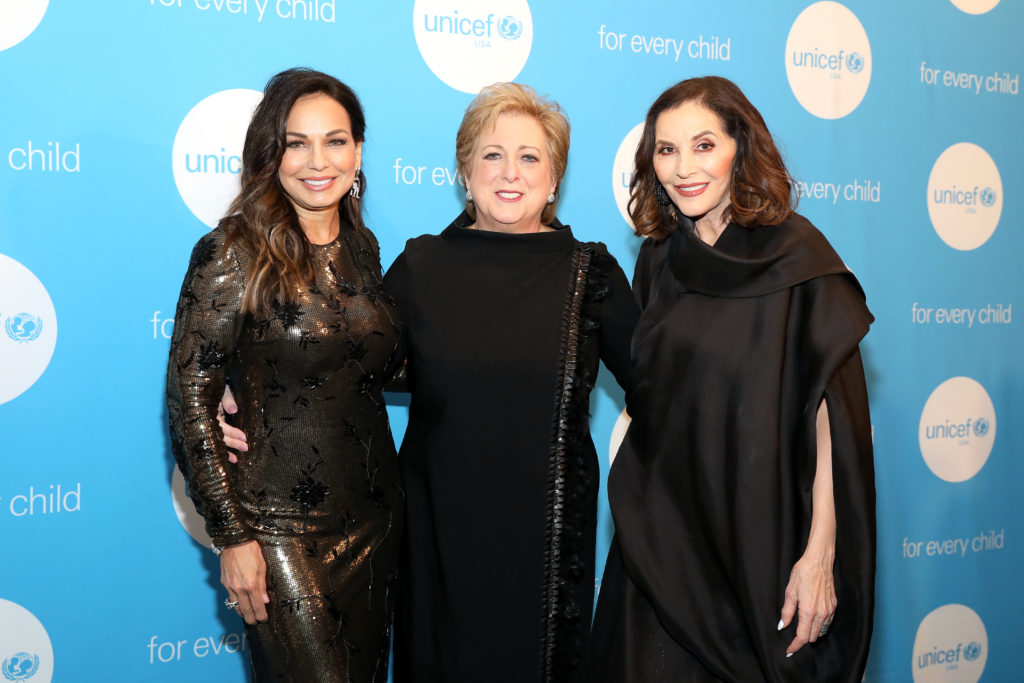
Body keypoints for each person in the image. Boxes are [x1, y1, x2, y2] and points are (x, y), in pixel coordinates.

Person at [222, 82, 638, 682]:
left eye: (530, 157)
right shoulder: (424, 264)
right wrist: (238, 388)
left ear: (555, 179)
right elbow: (337, 356)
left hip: (543, 546)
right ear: (465, 175)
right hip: (437, 534)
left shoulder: (591, 272)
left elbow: (663, 388)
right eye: (492, 155)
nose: (509, 173)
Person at [586, 76, 875, 682]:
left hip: (761, 534)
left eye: (703, 145)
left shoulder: (798, 257)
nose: (683, 167)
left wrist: (820, 554)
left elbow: (835, 425)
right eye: (666, 150)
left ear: (740, 149)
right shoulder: (659, 257)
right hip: (662, 535)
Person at [166, 68, 402, 683]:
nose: (317, 160)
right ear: (271, 153)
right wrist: (233, 538)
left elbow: (381, 368)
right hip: (277, 530)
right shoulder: (233, 251)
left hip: (375, 521)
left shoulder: (365, 248)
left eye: (336, 140)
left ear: (358, 149)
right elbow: (189, 398)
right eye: (297, 142)